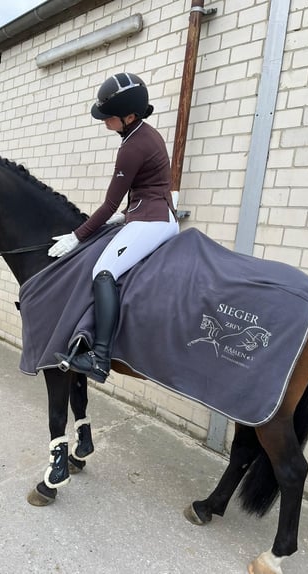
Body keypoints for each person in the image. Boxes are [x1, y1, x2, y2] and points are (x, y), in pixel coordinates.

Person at [48, 72, 179, 383]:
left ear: (129, 116)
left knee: (103, 271)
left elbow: (107, 204)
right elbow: (145, 187)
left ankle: (100, 357)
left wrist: (75, 237)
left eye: (109, 117)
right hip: (148, 210)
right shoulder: (144, 133)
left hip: (153, 219)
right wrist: (124, 215)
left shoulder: (132, 147)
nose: (104, 121)